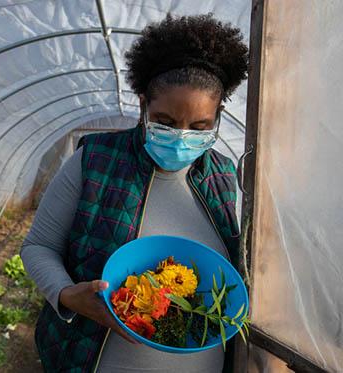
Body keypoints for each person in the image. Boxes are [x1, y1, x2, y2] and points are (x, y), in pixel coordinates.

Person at [20, 13, 249, 373]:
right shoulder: (94, 162)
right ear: (143, 105)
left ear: (218, 117)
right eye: (166, 122)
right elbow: (38, 246)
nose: (182, 136)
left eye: (200, 126)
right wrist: (67, 294)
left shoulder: (222, 174)